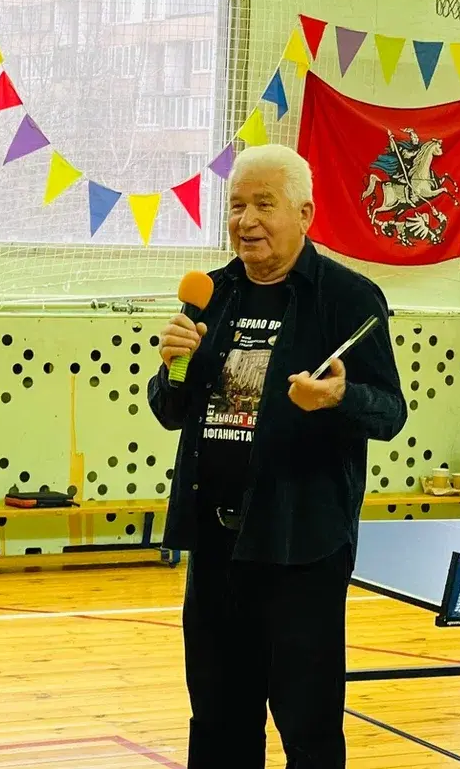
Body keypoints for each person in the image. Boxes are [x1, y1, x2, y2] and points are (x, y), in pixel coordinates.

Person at [147, 143, 407, 769]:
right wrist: (173, 367)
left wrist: (339, 396)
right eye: (237, 206)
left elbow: (389, 412)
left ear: (305, 214)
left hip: (301, 549)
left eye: (264, 205)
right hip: (215, 548)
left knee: (308, 730)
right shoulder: (211, 293)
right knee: (218, 724)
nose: (246, 221)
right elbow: (170, 409)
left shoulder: (348, 298)